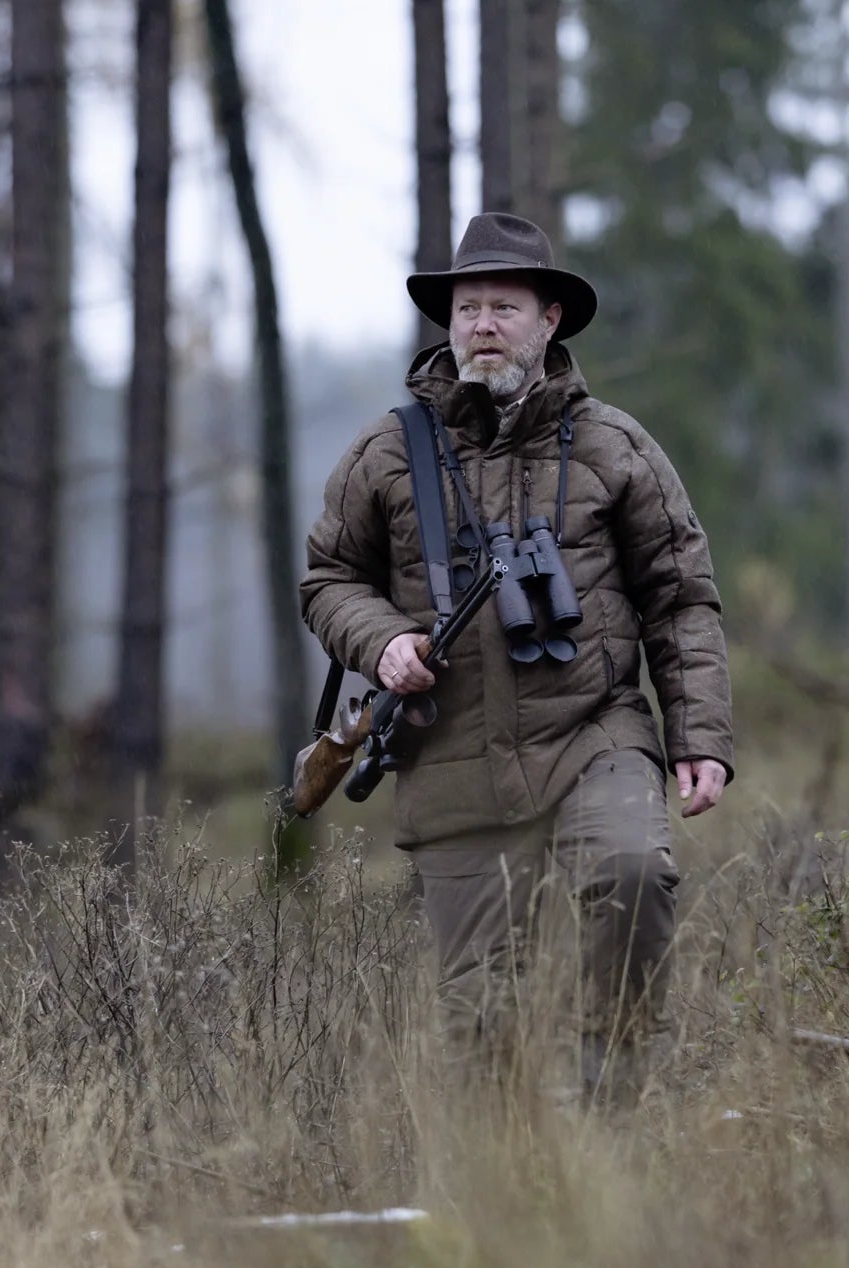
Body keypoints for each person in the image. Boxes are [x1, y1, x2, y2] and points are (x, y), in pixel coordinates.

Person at [300, 211, 733, 1097]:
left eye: (504, 306)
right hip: (453, 756)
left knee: (632, 871)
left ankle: (610, 1099)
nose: (483, 324)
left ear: (551, 323)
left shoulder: (616, 444)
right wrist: (384, 646)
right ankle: (515, 1204)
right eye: (467, 308)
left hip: (592, 732)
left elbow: (680, 596)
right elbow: (327, 578)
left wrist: (699, 738)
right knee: (481, 1025)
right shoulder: (387, 450)